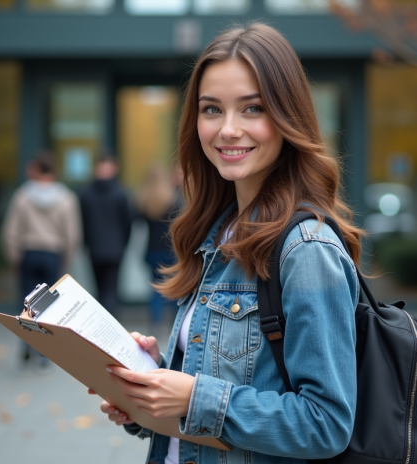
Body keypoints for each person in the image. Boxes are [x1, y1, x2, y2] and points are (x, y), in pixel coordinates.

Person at [91, 24, 363, 464]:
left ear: (287, 116)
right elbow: (216, 389)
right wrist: (153, 388)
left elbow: (326, 424)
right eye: (212, 109)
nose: (228, 129)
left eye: (252, 108)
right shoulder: (217, 233)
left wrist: (194, 397)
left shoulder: (306, 251)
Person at [2, 151, 81, 369]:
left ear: (37, 169)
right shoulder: (66, 198)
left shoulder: (22, 196)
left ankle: (27, 346)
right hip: (52, 254)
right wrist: (66, 258)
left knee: (26, 303)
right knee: (47, 306)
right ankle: (44, 354)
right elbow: (72, 234)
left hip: (29, 252)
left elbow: (11, 231)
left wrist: (14, 257)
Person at [79, 154, 132, 316]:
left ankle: (102, 323)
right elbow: (127, 223)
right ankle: (111, 324)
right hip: (115, 248)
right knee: (111, 290)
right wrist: (123, 244)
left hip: (95, 248)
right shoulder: (120, 193)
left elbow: (82, 223)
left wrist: (86, 243)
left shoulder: (86, 194)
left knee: (100, 289)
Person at [137, 164, 180, 328]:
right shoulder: (174, 200)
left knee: (155, 287)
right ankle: (175, 321)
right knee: (175, 286)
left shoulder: (144, 200)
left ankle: (157, 322)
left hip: (151, 250)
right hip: (171, 250)